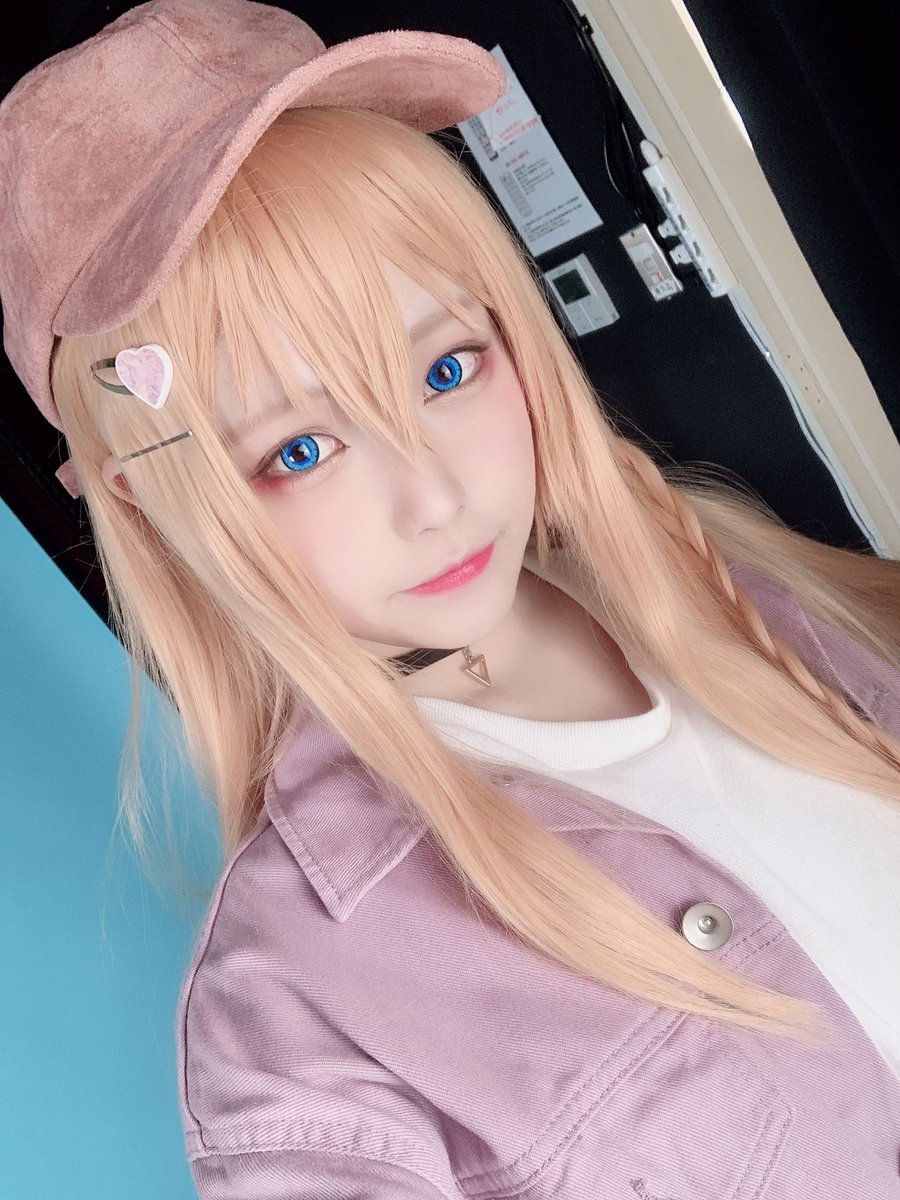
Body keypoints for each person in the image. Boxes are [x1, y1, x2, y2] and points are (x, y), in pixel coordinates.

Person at [1, 1, 899, 1195]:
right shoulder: (299, 1007)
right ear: (157, 504)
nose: (433, 496)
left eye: (446, 368)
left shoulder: (742, 581)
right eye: (300, 451)